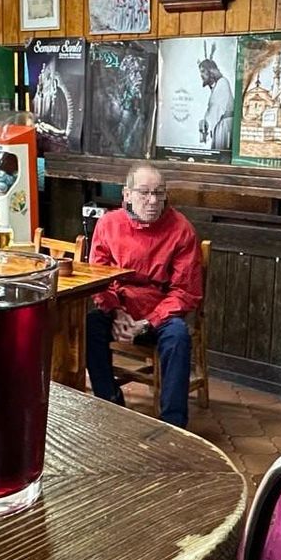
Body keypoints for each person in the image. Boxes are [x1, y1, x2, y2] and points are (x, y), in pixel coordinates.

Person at [86, 163, 203, 428]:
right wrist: (115, 311)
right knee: (89, 325)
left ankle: (173, 423)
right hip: (120, 308)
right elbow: (98, 276)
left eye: (159, 193)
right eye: (144, 193)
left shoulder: (181, 229)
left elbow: (185, 291)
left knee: (178, 336)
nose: (152, 201)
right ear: (126, 195)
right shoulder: (108, 224)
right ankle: (110, 403)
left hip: (160, 313)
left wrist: (148, 322)